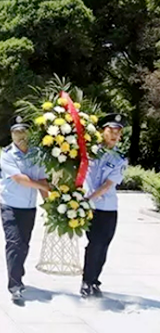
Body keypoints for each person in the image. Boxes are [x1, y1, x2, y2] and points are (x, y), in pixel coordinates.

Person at [0, 116, 49, 305]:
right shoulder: (7, 154)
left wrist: (49, 205)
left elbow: (42, 180)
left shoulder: (37, 154)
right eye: (16, 133)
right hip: (10, 205)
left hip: (29, 207)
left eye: (24, 132)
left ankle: (18, 274)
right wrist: (46, 188)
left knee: (24, 245)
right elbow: (20, 179)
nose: (20, 137)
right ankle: (15, 286)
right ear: (11, 134)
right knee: (14, 243)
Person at [81, 113, 128, 298]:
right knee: (94, 244)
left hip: (108, 208)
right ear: (103, 131)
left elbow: (108, 184)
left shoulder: (119, 159)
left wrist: (90, 198)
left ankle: (94, 281)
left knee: (103, 246)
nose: (115, 135)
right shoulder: (90, 151)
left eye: (118, 132)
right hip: (91, 208)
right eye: (111, 130)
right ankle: (87, 281)